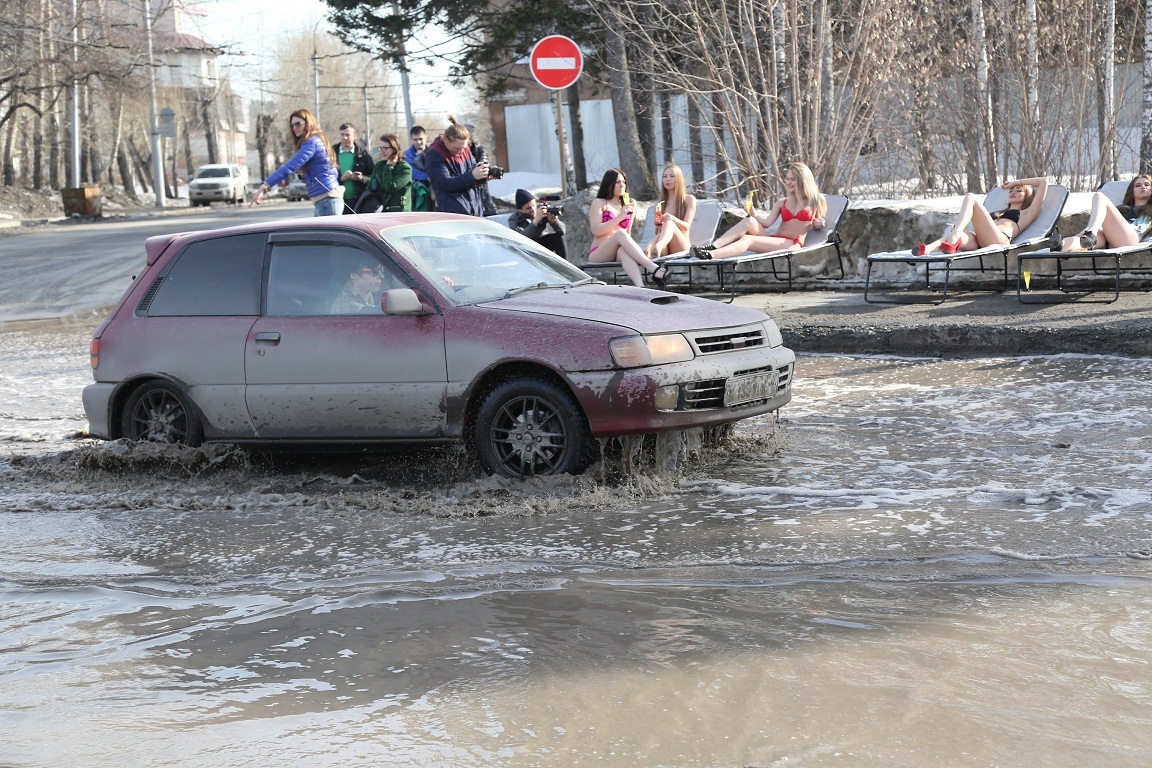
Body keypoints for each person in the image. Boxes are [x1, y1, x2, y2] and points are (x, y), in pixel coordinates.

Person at [691, 161, 827, 260]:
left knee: (748, 239)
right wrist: (754, 214)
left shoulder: (816, 201)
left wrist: (817, 225)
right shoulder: (783, 202)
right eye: (788, 179)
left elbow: (818, 223)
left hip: (792, 243)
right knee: (749, 221)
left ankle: (710, 256)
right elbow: (767, 224)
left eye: (794, 180)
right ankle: (712, 247)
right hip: (774, 240)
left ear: (803, 181)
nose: (789, 183)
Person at [911, 175, 1050, 256]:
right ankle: (927, 249)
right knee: (956, 235)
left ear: (1028, 195)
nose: (1013, 192)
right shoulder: (999, 211)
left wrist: (1016, 182)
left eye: (1018, 190)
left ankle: (954, 236)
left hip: (999, 239)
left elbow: (1043, 182)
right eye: (1011, 191)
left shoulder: (1027, 213)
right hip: (979, 240)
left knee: (970, 197)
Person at [587, 168, 669, 288]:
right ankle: (653, 268)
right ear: (609, 184)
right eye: (617, 182)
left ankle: (640, 287)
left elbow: (628, 233)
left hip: (617, 252)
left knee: (623, 250)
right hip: (599, 252)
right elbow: (596, 231)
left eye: (624, 182)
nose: (622, 185)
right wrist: (620, 216)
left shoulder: (629, 204)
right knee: (620, 233)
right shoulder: (599, 202)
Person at [251, 109, 342, 216]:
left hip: (327, 200)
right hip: (325, 199)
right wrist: (309, 177)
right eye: (292, 125)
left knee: (325, 233)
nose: (294, 128)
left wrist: (264, 187)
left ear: (308, 123)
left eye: (298, 124)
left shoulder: (311, 143)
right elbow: (332, 171)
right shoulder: (316, 140)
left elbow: (289, 168)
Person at [1051, 174, 1152, 252]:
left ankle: (1090, 232)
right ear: (1132, 191)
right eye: (1138, 185)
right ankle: (1060, 246)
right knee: (1080, 240)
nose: (1143, 187)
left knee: (1099, 196)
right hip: (1110, 238)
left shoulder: (1150, 209)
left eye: (1147, 184)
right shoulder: (1121, 208)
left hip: (1131, 238)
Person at [425, 116, 490, 216]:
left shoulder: (465, 149)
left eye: (463, 148)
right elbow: (444, 183)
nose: (461, 151)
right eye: (457, 148)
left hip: (474, 210)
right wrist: (472, 176)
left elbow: (471, 174)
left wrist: (482, 177)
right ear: (446, 140)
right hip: (454, 214)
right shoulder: (434, 154)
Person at [644, 162, 697, 258]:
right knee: (662, 230)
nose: (667, 179)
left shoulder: (689, 200)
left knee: (669, 223)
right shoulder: (659, 204)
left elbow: (686, 227)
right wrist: (659, 226)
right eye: (664, 176)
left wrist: (672, 218)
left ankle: (652, 248)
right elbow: (659, 233)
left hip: (682, 247)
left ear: (679, 179)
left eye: (672, 176)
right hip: (665, 247)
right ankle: (650, 249)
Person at [355, 133, 412, 213]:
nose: (382, 152)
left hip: (397, 212)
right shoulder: (379, 165)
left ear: (395, 149)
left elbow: (391, 187)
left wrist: (388, 167)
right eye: (380, 148)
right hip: (379, 210)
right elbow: (370, 187)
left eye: (385, 148)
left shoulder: (404, 169)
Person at [509, 189, 567, 259]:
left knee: (558, 238)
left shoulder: (541, 209)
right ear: (520, 210)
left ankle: (563, 267)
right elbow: (520, 238)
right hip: (528, 248)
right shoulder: (514, 219)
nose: (533, 210)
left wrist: (554, 221)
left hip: (542, 242)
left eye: (533, 205)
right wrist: (535, 221)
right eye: (528, 208)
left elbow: (562, 231)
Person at [333, 123, 375, 214]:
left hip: (358, 200)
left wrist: (361, 178)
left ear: (354, 136)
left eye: (347, 135)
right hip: (337, 199)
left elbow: (373, 178)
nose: (344, 137)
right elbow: (326, 177)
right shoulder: (332, 154)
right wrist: (341, 179)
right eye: (342, 134)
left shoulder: (363, 155)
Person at [467, 126, 499, 217]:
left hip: (481, 191)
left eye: (472, 133)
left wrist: (483, 169)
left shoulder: (479, 149)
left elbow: (483, 163)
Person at [405, 125, 432, 211]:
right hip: (415, 188)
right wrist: (426, 177)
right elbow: (411, 171)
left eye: (421, 139)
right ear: (411, 140)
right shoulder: (407, 154)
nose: (418, 142)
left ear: (426, 138)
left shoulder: (433, 151)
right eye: (415, 139)